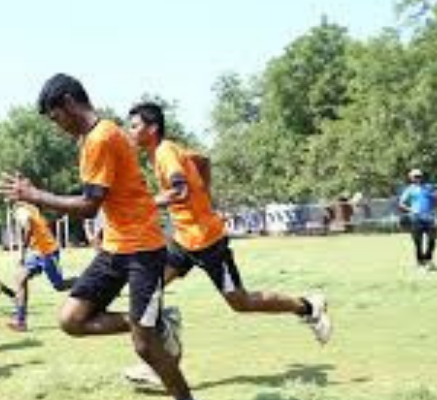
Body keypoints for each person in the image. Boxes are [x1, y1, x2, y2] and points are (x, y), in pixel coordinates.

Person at [0, 74, 196, 400]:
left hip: (143, 248)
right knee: (71, 320)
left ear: (68, 103)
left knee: (145, 346)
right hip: (115, 247)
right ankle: (158, 322)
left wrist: (34, 195)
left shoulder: (101, 138)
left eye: (56, 117)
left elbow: (89, 206)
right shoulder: (96, 136)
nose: (57, 126)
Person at [122, 101, 332, 385]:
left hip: (208, 243)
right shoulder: (169, 150)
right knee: (149, 290)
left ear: (152, 128)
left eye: (134, 126)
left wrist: (146, 204)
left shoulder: (165, 152)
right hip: (184, 240)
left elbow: (180, 191)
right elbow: (203, 161)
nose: (129, 131)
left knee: (241, 302)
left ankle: (308, 307)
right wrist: (205, 196)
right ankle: (162, 359)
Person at [7, 202, 78, 332]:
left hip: (48, 251)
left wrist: (22, 252)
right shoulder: (29, 207)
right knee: (20, 279)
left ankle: (88, 281)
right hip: (38, 252)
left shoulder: (21, 209)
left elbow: (29, 228)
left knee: (59, 286)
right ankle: (20, 320)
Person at [399, 168, 437, 271]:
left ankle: (428, 259)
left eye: (419, 176)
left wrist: (436, 216)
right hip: (416, 219)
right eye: (416, 176)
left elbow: (435, 202)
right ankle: (421, 262)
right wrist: (411, 209)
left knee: (432, 240)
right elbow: (401, 203)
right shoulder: (409, 189)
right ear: (411, 178)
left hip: (430, 218)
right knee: (418, 242)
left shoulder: (429, 187)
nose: (418, 178)